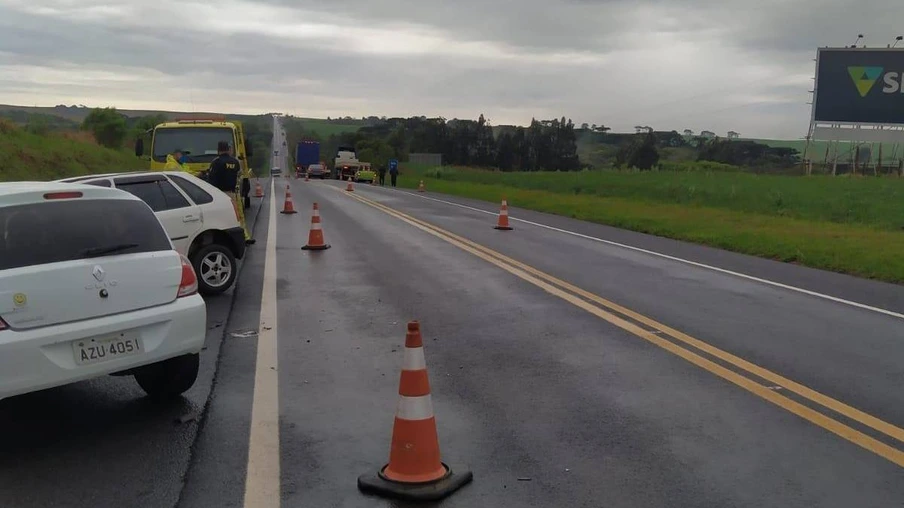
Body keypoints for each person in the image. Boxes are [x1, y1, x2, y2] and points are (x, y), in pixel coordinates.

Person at [208, 141, 255, 245]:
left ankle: (222, 239)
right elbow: (239, 175)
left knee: (220, 217)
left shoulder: (216, 162)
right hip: (233, 193)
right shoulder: (235, 162)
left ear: (218, 150)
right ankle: (244, 236)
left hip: (219, 195)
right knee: (238, 216)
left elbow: (211, 180)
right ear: (228, 149)